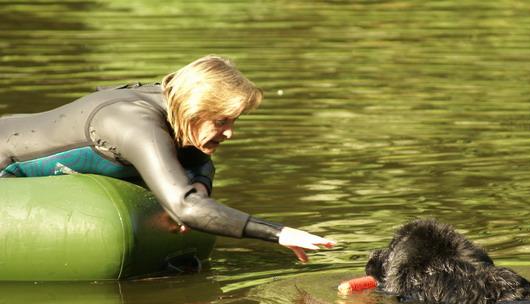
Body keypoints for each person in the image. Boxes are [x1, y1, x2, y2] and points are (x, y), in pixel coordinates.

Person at [0, 55, 335, 262]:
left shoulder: (176, 112)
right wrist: (279, 233)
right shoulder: (133, 122)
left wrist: (201, 185)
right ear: (193, 108)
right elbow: (185, 207)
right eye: (221, 121)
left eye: (234, 121)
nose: (230, 133)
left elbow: (198, 156)